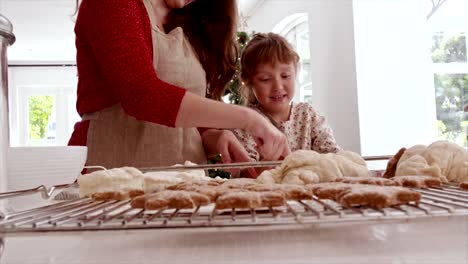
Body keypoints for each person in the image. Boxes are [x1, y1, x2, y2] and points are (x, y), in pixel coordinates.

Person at [68, 0, 290, 170]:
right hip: (111, 170)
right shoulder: (110, 4)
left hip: (183, 180)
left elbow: (185, 108)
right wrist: (249, 119)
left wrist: (213, 136)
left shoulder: (185, 23)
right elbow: (142, 95)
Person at [233, 32, 341, 165]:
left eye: (285, 76)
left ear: (295, 72)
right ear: (249, 81)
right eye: (265, 79)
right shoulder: (245, 122)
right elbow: (245, 173)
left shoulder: (307, 115)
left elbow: (334, 157)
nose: (278, 87)